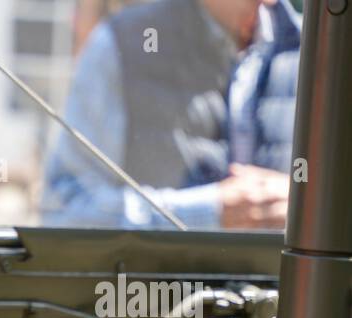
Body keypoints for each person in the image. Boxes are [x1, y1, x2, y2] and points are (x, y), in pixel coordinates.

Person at [43, 0, 301, 230]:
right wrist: (206, 212)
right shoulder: (122, 44)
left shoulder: (324, 54)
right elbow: (65, 210)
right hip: (148, 286)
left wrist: (308, 210)